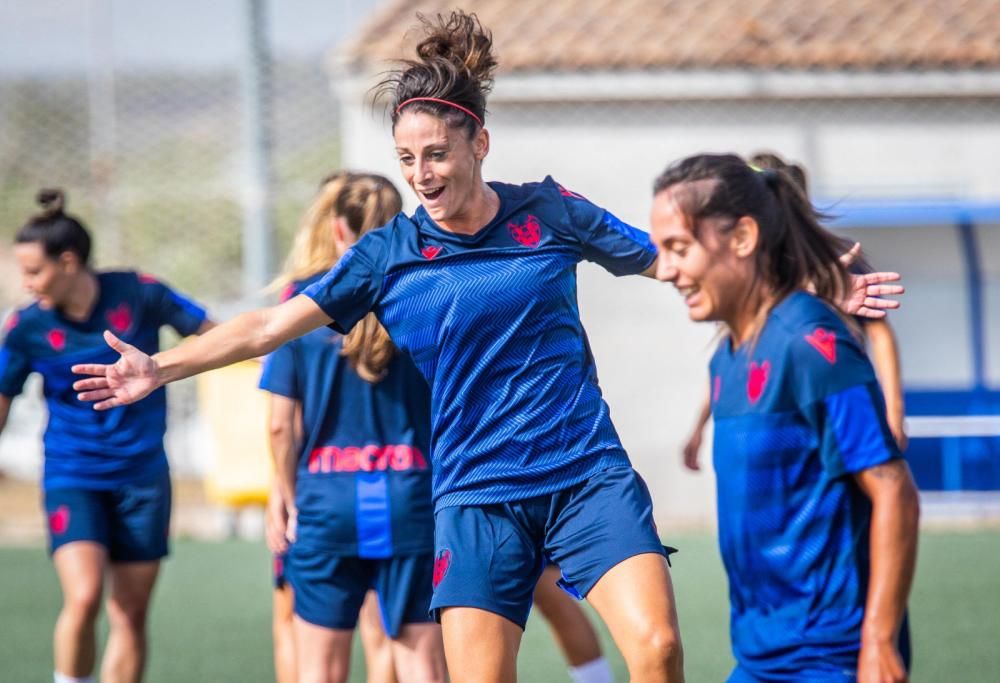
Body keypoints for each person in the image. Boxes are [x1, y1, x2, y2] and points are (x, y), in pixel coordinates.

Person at [71, 12, 900, 682]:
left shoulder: (550, 212)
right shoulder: (387, 253)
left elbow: (681, 267)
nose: (423, 174)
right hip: (474, 498)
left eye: (436, 153)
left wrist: (817, 285)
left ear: (479, 144)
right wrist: (161, 365)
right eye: (406, 160)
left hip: (586, 478)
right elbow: (264, 326)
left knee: (657, 652)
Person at [650, 153, 919, 682]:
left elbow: (894, 492)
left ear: (744, 238)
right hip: (758, 657)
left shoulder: (809, 342)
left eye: (678, 249)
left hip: (828, 658)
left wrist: (880, 641)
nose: (665, 270)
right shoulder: (728, 356)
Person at [0, 189, 213, 683]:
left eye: (33, 271)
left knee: (129, 614)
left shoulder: (141, 292)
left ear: (68, 262)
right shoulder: (25, 327)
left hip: (143, 478)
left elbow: (214, 334)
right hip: (73, 475)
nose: (26, 283)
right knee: (84, 595)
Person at [260, 171, 445, 683]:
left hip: (326, 502)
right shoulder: (425, 292)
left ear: (339, 230)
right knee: (421, 662)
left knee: (320, 668)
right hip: (412, 498)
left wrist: (285, 492)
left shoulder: (302, 302)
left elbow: (280, 427)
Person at [680, 153, 908, 471]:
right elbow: (728, 353)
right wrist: (698, 427)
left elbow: (879, 333)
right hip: (764, 419)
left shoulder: (830, 259)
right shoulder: (746, 271)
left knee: (854, 495)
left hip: (824, 409)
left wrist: (894, 412)